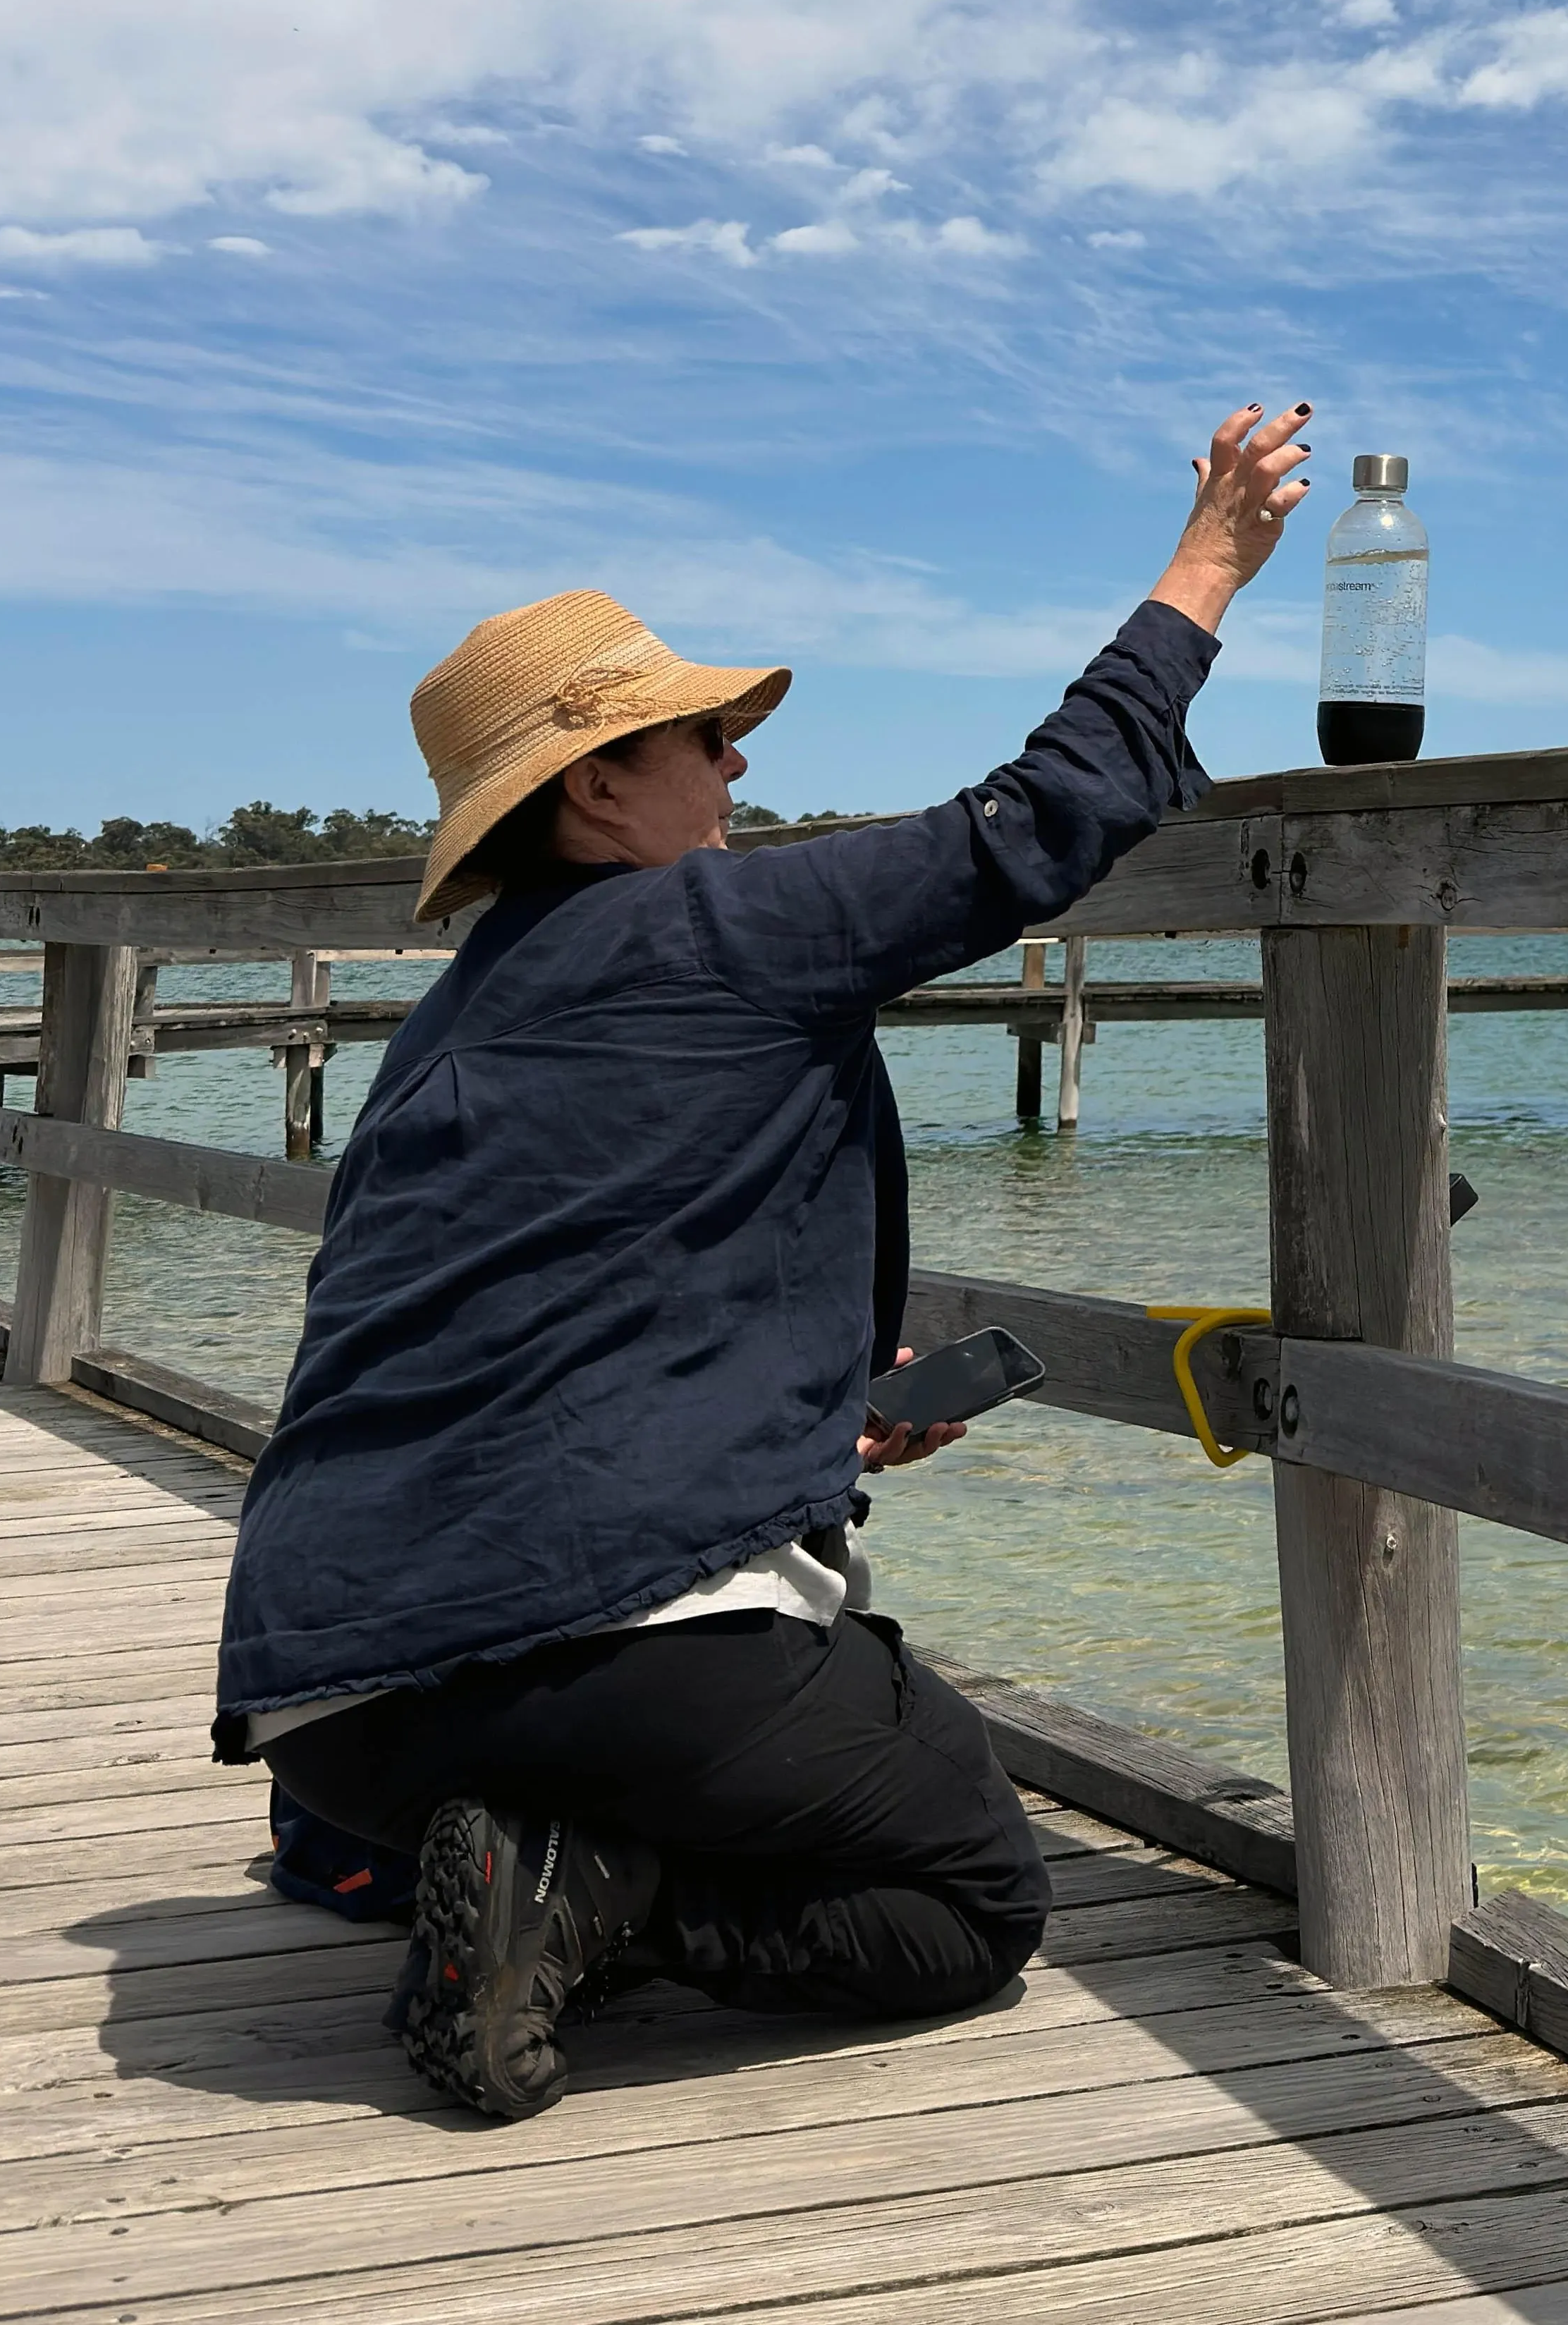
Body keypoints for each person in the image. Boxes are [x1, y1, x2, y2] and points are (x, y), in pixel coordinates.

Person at [211, 398, 1313, 2120]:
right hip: (597, 1646)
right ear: (596, 785)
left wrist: (809, 1421)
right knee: (970, 1902)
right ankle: (591, 1902)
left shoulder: (448, 1028)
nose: (742, 771)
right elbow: (1035, 825)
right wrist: (1208, 567)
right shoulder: (711, 926)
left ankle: (505, 1854)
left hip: (333, 1709)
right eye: (710, 741)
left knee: (619, 1743)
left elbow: (510, 1318)